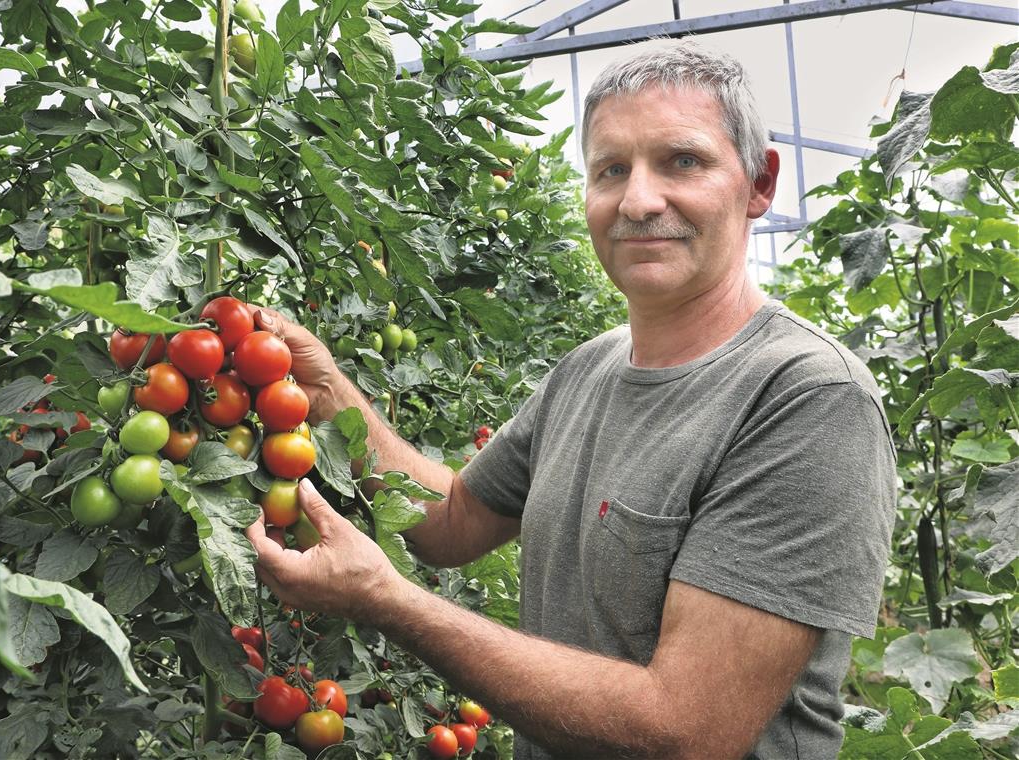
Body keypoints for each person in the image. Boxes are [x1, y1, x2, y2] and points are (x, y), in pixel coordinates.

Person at [246, 39, 896, 759]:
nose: (640, 200)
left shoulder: (807, 399)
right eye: (611, 170)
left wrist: (387, 599)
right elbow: (456, 520)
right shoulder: (588, 369)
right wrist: (332, 391)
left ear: (759, 183)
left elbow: (683, 732)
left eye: (683, 161)